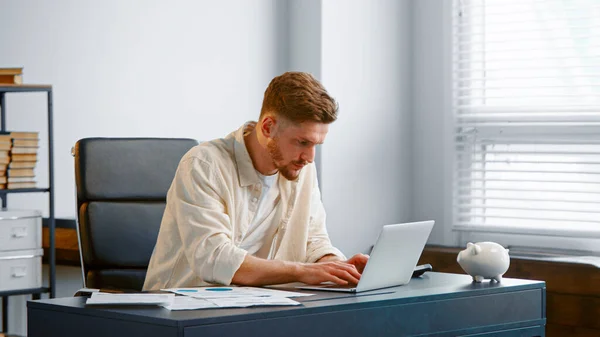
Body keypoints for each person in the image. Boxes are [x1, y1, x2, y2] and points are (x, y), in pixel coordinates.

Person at [143, 72, 369, 290]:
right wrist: (301, 271)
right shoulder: (203, 164)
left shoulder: (300, 169)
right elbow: (213, 258)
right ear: (268, 127)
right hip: (182, 308)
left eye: (315, 146)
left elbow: (313, 240)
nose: (310, 158)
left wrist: (336, 266)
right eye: (302, 142)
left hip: (254, 306)